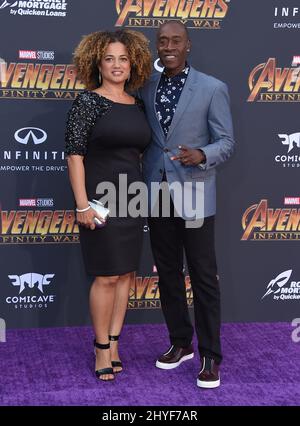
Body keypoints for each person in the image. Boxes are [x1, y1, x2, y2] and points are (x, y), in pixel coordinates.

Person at [139, 21, 235, 388]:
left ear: (188, 45)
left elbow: (227, 142)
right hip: (157, 192)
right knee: (167, 272)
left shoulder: (212, 88)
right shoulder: (146, 87)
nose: (169, 46)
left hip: (195, 194)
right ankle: (181, 342)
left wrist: (202, 153)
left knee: (203, 277)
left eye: (176, 40)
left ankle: (211, 355)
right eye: (162, 41)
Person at [65, 30, 152, 381]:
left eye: (123, 59)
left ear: (133, 65)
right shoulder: (88, 103)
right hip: (99, 203)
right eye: (110, 59)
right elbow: (74, 157)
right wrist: (83, 205)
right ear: (97, 64)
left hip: (132, 200)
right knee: (106, 276)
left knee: (126, 275)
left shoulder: (139, 104)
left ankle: (115, 342)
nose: (117, 65)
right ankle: (101, 347)